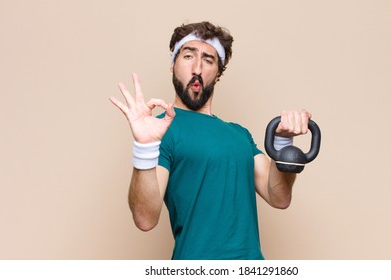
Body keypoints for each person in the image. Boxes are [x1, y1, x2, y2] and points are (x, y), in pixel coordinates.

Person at [109, 21, 312, 260]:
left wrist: (283, 145)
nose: (197, 68)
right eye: (188, 56)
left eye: (208, 60)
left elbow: (279, 197)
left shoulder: (239, 134)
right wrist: (144, 146)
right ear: (173, 65)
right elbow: (145, 218)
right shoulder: (162, 130)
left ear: (218, 73)